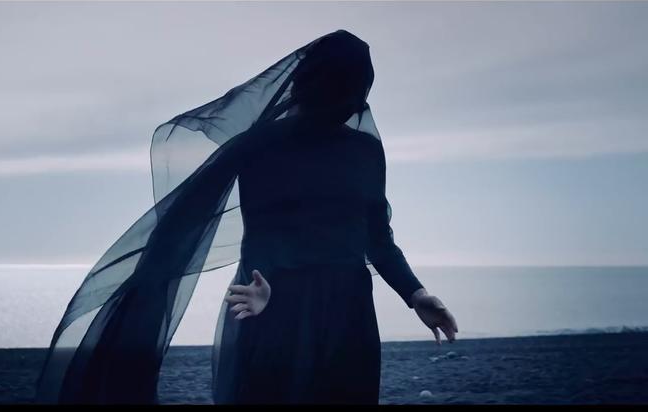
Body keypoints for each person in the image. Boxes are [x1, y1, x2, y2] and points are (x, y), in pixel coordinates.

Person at [36, 29, 457, 405]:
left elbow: (378, 239)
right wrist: (266, 290)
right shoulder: (261, 145)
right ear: (312, 84)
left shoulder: (364, 150)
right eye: (343, 89)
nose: (350, 103)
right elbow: (200, 222)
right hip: (272, 306)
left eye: (356, 91)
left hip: (350, 315)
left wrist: (417, 295)